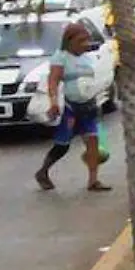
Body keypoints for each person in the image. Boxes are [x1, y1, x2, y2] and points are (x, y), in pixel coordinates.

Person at [37, 23, 111, 193]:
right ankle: (43, 171)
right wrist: (53, 101)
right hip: (72, 108)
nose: (84, 44)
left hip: (88, 106)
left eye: (86, 40)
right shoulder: (61, 57)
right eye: (80, 41)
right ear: (69, 41)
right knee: (62, 144)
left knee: (93, 142)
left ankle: (93, 180)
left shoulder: (86, 58)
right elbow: (53, 81)